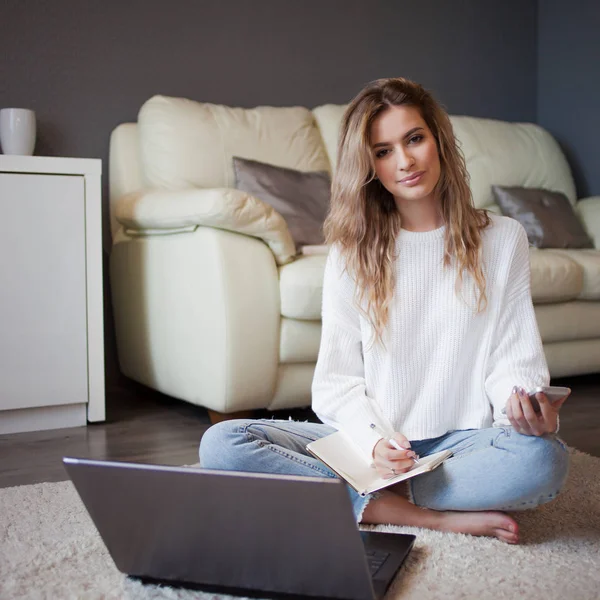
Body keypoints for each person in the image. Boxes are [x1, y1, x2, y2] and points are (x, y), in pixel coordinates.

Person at [200, 77, 570, 544]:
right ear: (369, 165)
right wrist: (375, 442)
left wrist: (531, 413)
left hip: (462, 445)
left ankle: (364, 499)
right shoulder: (351, 252)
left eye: (414, 139)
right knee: (224, 443)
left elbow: (513, 357)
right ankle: (423, 514)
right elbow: (336, 383)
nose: (406, 161)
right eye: (384, 150)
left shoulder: (503, 238)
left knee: (543, 460)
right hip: (370, 448)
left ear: (438, 139)